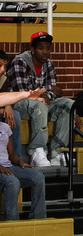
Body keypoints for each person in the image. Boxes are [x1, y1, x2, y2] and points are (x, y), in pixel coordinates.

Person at [7, 32, 80, 167]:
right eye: (41, 48)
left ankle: (57, 152)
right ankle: (36, 151)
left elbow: (54, 93)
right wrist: (46, 92)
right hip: (19, 104)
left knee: (69, 104)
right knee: (39, 104)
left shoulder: (49, 64)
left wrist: (47, 94)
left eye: (48, 48)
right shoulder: (20, 61)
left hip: (41, 104)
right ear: (33, 49)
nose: (45, 52)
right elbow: (21, 92)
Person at [0, 88, 47, 221]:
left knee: (38, 176)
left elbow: (12, 155)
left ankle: (38, 218)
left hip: (8, 166)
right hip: (1, 170)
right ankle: (12, 222)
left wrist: (21, 163)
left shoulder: (4, 127)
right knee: (12, 182)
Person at [0, 50, 22, 158]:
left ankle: (16, 156)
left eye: (5, 66)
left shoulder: (4, 77)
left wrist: (8, 105)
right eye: (0, 65)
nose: (3, 69)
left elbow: (6, 95)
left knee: (15, 115)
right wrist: (3, 109)